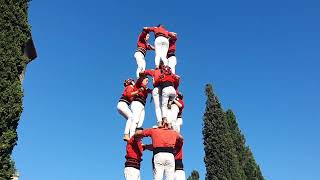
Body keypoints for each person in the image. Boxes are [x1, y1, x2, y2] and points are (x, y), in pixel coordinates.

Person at [139, 61, 165, 127]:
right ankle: (165, 121)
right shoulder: (166, 72)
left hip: (156, 89)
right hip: (164, 89)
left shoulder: (154, 71)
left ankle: (159, 122)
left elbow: (144, 72)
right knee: (164, 106)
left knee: (157, 107)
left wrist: (140, 74)